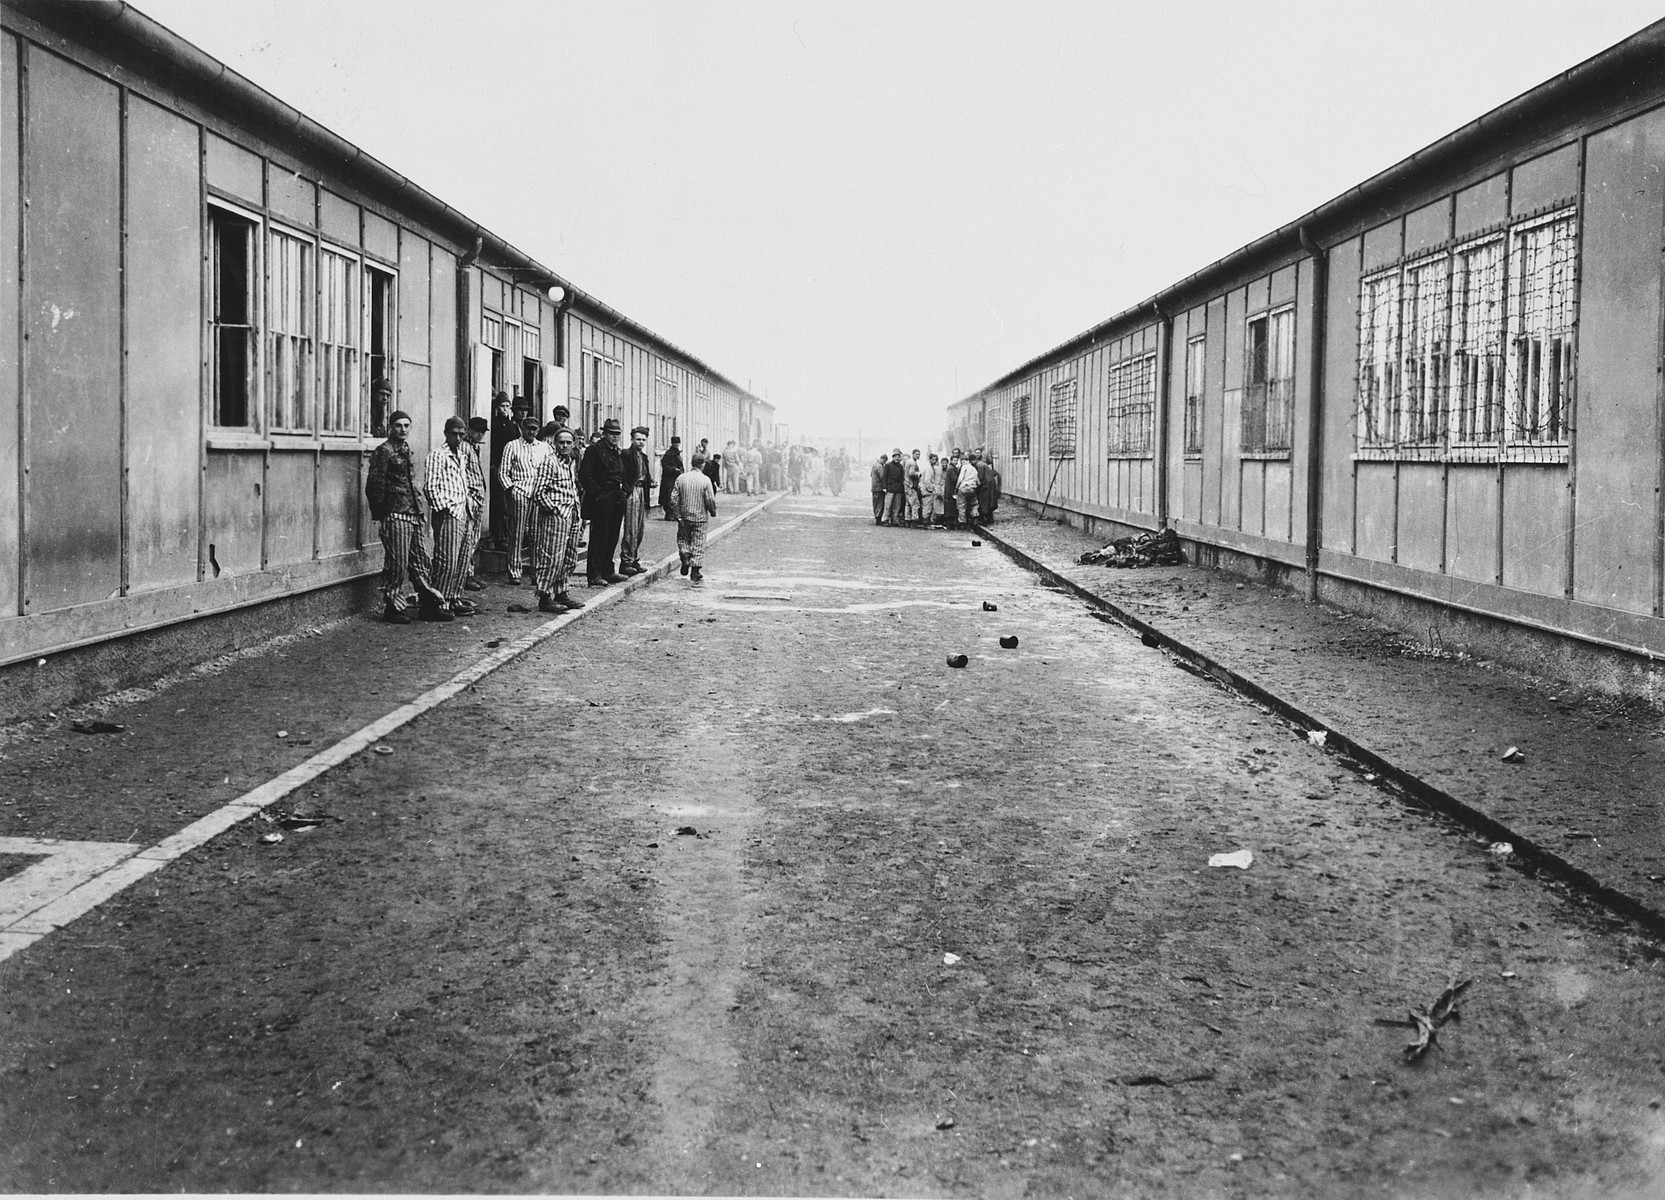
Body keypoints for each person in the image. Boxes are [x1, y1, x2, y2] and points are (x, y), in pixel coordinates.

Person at [366, 410, 450, 623]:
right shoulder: (384, 451)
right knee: (397, 564)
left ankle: (428, 604)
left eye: (406, 426)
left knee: (420, 560)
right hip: (395, 515)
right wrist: (383, 513)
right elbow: (374, 486)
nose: (403, 430)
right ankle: (393, 608)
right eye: (398, 425)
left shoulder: (405, 449)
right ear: (390, 427)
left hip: (412, 513)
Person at [424, 415, 480, 616]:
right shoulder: (437, 455)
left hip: (464, 512)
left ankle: (454, 597)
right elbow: (430, 487)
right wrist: (445, 509)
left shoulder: (462, 456)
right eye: (454, 434)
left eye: (461, 434)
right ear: (446, 434)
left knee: (463, 558)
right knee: (446, 559)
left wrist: (469, 506)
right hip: (449, 513)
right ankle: (440, 601)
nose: (457, 438)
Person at [529, 427, 585, 612]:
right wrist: (555, 509)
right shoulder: (549, 463)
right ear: (554, 444)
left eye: (569, 442)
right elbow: (538, 492)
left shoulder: (570, 463)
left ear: (574, 444)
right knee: (552, 557)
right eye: (561, 442)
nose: (565, 446)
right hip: (556, 517)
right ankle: (545, 596)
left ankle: (561, 592)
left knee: (569, 557)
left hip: (572, 515)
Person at [498, 415, 550, 583]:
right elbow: (503, 472)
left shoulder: (544, 448)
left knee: (537, 535)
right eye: (528, 428)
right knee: (517, 533)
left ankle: (536, 572)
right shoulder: (512, 446)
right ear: (522, 428)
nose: (531, 432)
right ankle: (514, 572)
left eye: (535, 429)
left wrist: (547, 491)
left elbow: (550, 470)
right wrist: (512, 490)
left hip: (539, 495)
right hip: (520, 493)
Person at [578, 417, 629, 586]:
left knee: (613, 535)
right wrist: (598, 493)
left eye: (617, 434)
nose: (615, 437)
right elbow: (585, 475)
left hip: (616, 497)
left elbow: (623, 474)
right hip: (601, 498)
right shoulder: (594, 450)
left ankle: (608, 571)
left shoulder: (617, 451)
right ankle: (594, 574)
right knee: (599, 536)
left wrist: (624, 492)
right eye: (611, 434)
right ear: (604, 434)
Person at [671, 451, 718, 585]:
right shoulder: (705, 480)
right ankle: (695, 571)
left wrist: (677, 515)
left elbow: (673, 498)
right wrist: (713, 512)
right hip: (700, 517)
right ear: (702, 465)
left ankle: (685, 555)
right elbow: (710, 500)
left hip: (684, 516)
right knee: (698, 542)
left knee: (683, 538)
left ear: (691, 464)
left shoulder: (681, 478)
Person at [619, 424, 655, 576]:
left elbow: (645, 475)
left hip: (641, 492)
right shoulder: (626, 454)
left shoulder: (644, 457)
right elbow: (622, 474)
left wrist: (650, 483)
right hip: (631, 492)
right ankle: (626, 562)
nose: (640, 442)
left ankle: (634, 560)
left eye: (643, 440)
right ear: (632, 439)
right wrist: (626, 490)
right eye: (638, 439)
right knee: (631, 529)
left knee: (639, 529)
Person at [460, 416, 491, 590]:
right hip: (470, 498)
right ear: (469, 430)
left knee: (474, 539)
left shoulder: (474, 447)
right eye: (477, 431)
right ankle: (464, 575)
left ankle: (470, 572)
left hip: (477, 498)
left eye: (482, 432)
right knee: (468, 539)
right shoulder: (464, 447)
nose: (480, 434)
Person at [487, 390, 516, 549]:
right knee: (501, 503)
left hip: (511, 468)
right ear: (497, 408)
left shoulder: (512, 425)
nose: (505, 409)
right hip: (499, 466)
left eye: (507, 406)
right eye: (502, 406)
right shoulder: (495, 425)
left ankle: (508, 534)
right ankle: (500, 537)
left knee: (510, 503)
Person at [658, 435, 684, 520]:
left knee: (675, 495)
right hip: (669, 478)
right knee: (668, 496)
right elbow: (665, 465)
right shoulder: (669, 453)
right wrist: (674, 469)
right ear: (672, 443)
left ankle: (673, 513)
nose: (677, 444)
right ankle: (669, 514)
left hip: (676, 477)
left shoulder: (677, 453)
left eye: (678, 443)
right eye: (675, 443)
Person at [956, 449, 981, 528]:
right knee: (974, 504)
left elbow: (960, 479)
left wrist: (956, 488)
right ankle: (975, 517)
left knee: (961, 505)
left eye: (962, 461)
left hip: (963, 487)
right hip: (972, 488)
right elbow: (978, 482)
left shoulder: (964, 467)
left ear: (964, 461)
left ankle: (962, 522)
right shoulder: (974, 469)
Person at [882, 448, 906, 526]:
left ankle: (895, 520)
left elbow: (902, 478)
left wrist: (902, 488)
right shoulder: (888, 465)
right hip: (890, 488)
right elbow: (884, 477)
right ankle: (885, 519)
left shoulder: (901, 467)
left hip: (898, 489)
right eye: (895, 456)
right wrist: (884, 487)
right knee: (888, 505)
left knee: (897, 506)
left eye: (898, 457)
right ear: (893, 457)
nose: (897, 458)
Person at [942, 449, 963, 530]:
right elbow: (955, 479)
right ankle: (950, 524)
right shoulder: (951, 469)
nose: (956, 462)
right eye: (954, 460)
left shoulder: (951, 468)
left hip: (949, 490)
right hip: (951, 490)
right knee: (951, 508)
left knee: (950, 507)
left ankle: (950, 524)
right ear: (951, 460)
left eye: (957, 460)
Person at [979, 452, 1002, 524]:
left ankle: (987, 518)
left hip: (986, 486)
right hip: (986, 486)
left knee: (987, 502)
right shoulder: (980, 465)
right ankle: (986, 517)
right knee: (987, 502)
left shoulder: (983, 466)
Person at [904, 449, 924, 526]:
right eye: (916, 454)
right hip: (911, 485)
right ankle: (914, 520)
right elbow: (911, 473)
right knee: (915, 504)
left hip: (907, 484)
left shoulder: (909, 462)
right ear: (912, 454)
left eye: (919, 454)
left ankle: (907, 520)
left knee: (908, 503)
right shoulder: (912, 462)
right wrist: (918, 474)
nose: (918, 456)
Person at [870, 453, 887, 524]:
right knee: (880, 503)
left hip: (874, 487)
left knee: (875, 503)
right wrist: (884, 487)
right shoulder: (880, 466)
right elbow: (882, 477)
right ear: (883, 459)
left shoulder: (874, 465)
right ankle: (878, 518)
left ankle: (876, 517)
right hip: (879, 488)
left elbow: (871, 475)